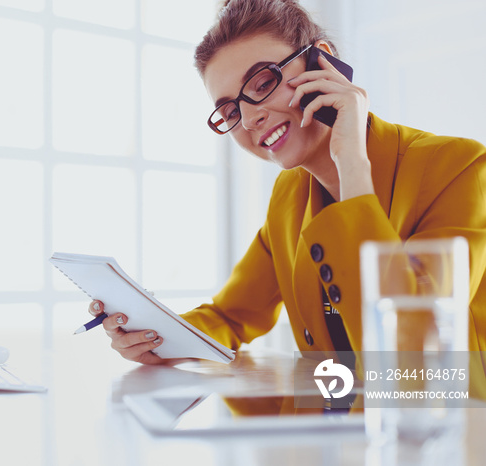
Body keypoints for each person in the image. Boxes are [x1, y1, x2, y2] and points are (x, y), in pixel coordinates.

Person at [86, 0, 486, 387]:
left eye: (263, 83)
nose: (249, 118)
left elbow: (416, 357)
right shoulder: (290, 196)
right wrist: (155, 338)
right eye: (229, 112)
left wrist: (351, 162)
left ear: (323, 63)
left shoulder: (459, 167)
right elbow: (229, 316)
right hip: (343, 437)